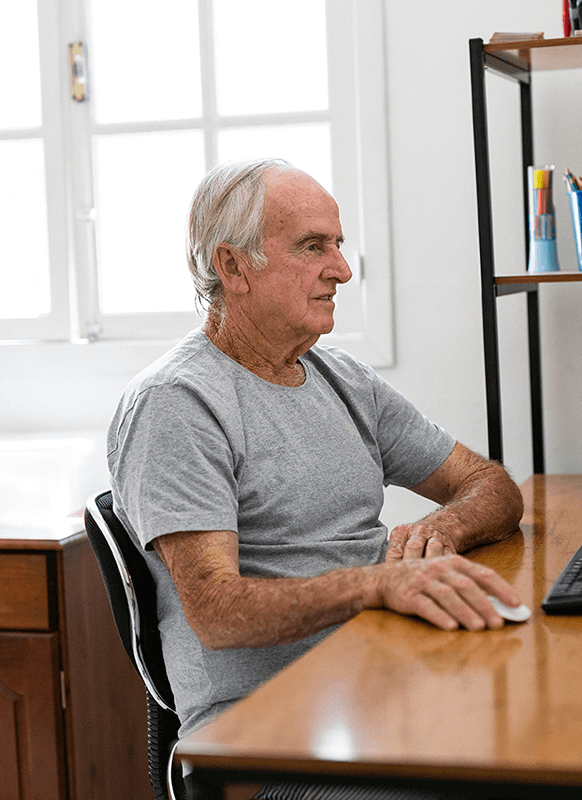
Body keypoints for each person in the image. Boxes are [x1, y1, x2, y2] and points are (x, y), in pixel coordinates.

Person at [107, 157, 524, 738]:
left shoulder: (343, 379)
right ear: (233, 266)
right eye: (312, 247)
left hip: (376, 675)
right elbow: (216, 613)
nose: (343, 271)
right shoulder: (175, 404)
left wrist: (445, 530)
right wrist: (377, 583)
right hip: (265, 724)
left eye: (338, 245)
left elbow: (492, 486)